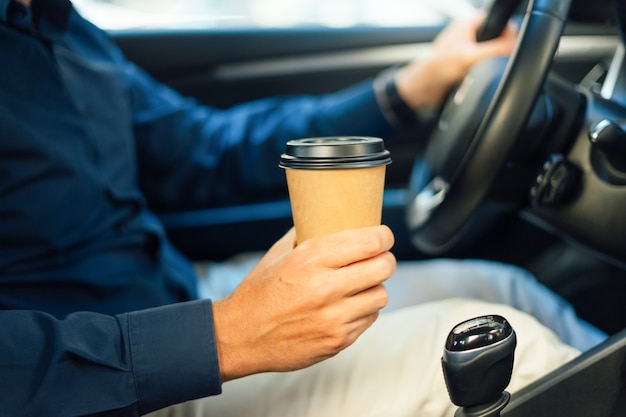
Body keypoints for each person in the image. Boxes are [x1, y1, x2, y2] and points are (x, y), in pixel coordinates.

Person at [0, 0, 605, 416]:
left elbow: (206, 150)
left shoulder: (60, 27)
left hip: (178, 291)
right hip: (119, 385)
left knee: (503, 289)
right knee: (512, 348)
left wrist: (407, 88)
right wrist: (225, 336)